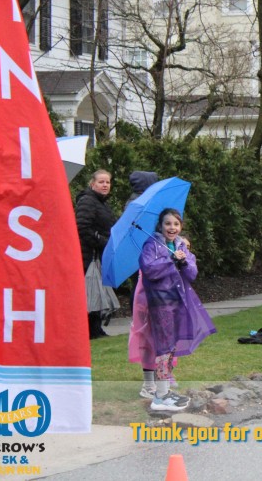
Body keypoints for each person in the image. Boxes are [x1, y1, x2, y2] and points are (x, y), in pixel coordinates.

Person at [138, 208, 215, 412]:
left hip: (179, 301)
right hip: (161, 302)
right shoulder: (152, 245)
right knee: (164, 345)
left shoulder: (181, 245)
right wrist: (170, 260)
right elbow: (149, 269)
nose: (172, 228)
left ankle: (165, 391)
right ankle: (160, 396)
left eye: (176, 224)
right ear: (160, 226)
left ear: (181, 227)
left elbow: (192, 273)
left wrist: (183, 261)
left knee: (171, 345)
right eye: (168, 223)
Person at [126, 171, 161, 397]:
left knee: (163, 333)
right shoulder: (139, 209)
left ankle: (162, 375)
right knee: (147, 333)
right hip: (146, 287)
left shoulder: (153, 207)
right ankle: (149, 383)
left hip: (159, 287)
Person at [75, 169, 120, 338]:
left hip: (99, 254)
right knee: (91, 290)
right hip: (89, 255)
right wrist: (102, 241)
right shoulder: (87, 201)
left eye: (108, 182)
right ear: (92, 183)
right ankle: (90, 329)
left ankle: (96, 328)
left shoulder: (102, 203)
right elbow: (82, 227)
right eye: (101, 182)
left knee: (98, 290)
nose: (105, 185)